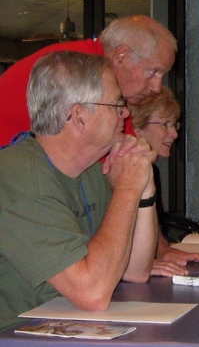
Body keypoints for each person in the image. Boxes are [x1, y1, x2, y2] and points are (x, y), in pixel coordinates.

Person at [0, 51, 158, 332]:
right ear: (79, 116)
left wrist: (143, 189)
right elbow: (92, 293)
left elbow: (135, 270)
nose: (126, 113)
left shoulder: (90, 173)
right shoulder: (17, 176)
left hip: (61, 327)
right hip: (14, 334)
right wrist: (126, 188)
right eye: (116, 104)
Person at [0, 14, 177, 146]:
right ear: (121, 56)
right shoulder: (79, 72)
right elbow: (114, 157)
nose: (156, 87)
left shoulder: (91, 68)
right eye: (153, 72)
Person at [129, 87, 199, 276]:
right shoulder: (121, 176)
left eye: (174, 125)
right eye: (165, 124)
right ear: (137, 130)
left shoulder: (152, 171)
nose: (174, 134)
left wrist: (163, 250)